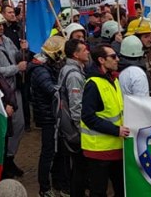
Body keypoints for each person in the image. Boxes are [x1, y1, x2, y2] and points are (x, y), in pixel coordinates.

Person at [0, 11, 27, 178]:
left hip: (15, 89)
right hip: (1, 92)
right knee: (6, 128)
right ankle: (3, 162)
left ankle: (10, 157)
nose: (1, 28)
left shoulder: (7, 39)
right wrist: (17, 68)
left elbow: (16, 55)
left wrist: (23, 50)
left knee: (19, 124)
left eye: (2, 25)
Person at [81, 45, 128, 197]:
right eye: (113, 57)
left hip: (117, 147)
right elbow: (88, 117)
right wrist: (116, 130)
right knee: (99, 192)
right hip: (99, 150)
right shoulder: (93, 84)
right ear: (101, 60)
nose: (117, 59)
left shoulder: (113, 79)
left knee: (121, 188)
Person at [27, 35, 69, 197]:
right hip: (48, 117)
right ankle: (44, 188)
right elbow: (52, 90)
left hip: (53, 115)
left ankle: (58, 183)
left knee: (58, 153)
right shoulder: (39, 69)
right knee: (48, 153)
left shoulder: (45, 66)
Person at [57, 38, 88, 197]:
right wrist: (81, 130)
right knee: (80, 167)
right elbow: (76, 106)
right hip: (75, 130)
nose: (87, 51)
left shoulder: (68, 68)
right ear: (76, 55)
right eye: (84, 50)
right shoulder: (74, 75)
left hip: (69, 127)